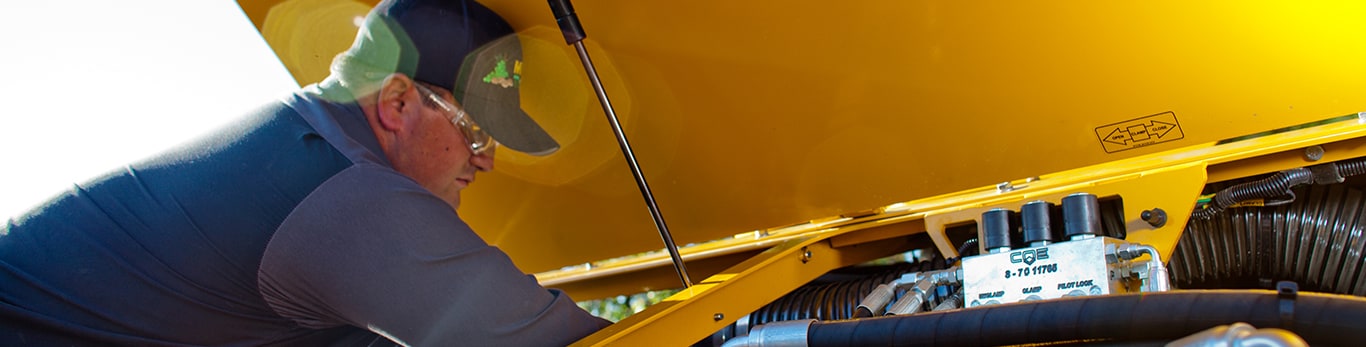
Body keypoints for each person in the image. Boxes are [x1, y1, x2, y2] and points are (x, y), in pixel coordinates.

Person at [0, 0, 611, 345]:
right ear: (398, 104)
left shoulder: (303, 143)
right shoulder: (346, 195)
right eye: (475, 131)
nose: (485, 159)